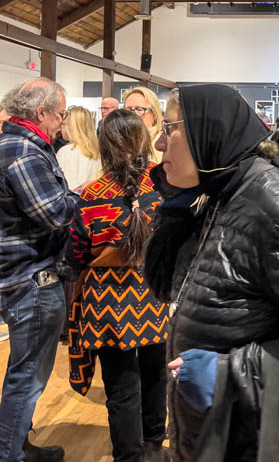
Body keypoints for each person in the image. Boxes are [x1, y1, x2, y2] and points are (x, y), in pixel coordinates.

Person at [143, 84, 279, 461]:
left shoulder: (272, 204)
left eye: (169, 128)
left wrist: (230, 374)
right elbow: (166, 285)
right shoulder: (223, 191)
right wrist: (175, 208)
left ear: (206, 131)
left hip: (265, 435)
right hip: (229, 428)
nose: (160, 142)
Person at [65, 109, 168, 462]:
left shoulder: (91, 195)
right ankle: (154, 445)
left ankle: (129, 456)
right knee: (155, 373)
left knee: (121, 385)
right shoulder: (163, 187)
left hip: (105, 301)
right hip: (153, 291)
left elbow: (76, 253)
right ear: (143, 141)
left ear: (104, 146)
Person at [0, 77, 77, 462]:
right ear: (41, 112)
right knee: (27, 376)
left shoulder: (17, 144)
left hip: (21, 276)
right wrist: (79, 197)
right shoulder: (23, 152)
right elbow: (54, 213)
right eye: (60, 115)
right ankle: (9, 453)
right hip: (32, 279)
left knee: (24, 373)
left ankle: (16, 445)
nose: (63, 122)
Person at [56, 105, 100, 190]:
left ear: (72, 127)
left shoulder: (64, 151)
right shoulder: (97, 151)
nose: (61, 128)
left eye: (63, 124)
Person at [123, 87, 164, 164]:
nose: (133, 114)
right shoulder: (120, 141)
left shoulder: (161, 145)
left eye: (139, 109)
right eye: (128, 110)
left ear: (154, 114)